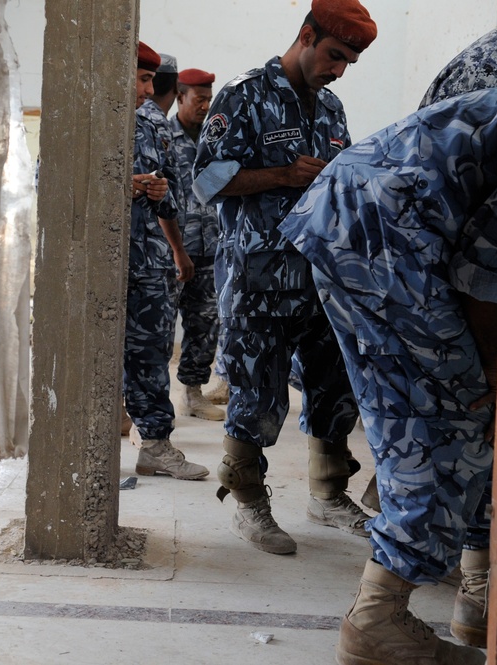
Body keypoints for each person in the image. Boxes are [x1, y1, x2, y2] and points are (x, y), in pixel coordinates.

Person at [279, 86, 497, 665]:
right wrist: (490, 373)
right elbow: (485, 268)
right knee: (453, 416)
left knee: (416, 409)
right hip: (387, 234)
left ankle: (476, 598)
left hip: (348, 216)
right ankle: (378, 620)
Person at [192, 0, 378, 555]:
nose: (338, 69)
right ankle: (248, 501)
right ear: (305, 35)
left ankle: (328, 492)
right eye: (333, 55)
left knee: (333, 384)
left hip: (321, 278)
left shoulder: (332, 109)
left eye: (348, 62)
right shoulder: (243, 95)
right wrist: (281, 175)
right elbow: (204, 182)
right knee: (256, 390)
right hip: (258, 276)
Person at [415, 18, 497, 649]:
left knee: (469, 421)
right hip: (433, 267)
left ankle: (469, 586)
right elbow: (481, 247)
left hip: (444, 264)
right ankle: (462, 591)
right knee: (474, 413)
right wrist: (482, 359)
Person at [125, 42, 208, 480]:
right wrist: (122, 184)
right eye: (141, 79)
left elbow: (171, 192)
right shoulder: (87, 118)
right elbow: (51, 181)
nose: (148, 89)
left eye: (150, 81)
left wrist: (176, 247)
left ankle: (155, 445)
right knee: (103, 355)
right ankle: (105, 432)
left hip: (151, 260)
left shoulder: (152, 124)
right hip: (103, 263)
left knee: (152, 353)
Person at [168, 68, 226, 422]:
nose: (205, 106)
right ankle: (150, 399)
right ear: (180, 98)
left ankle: (192, 392)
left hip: (211, 248)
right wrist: (174, 248)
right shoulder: (163, 136)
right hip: (172, 248)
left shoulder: (215, 138)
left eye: (209, 99)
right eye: (198, 99)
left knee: (205, 323)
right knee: (160, 329)